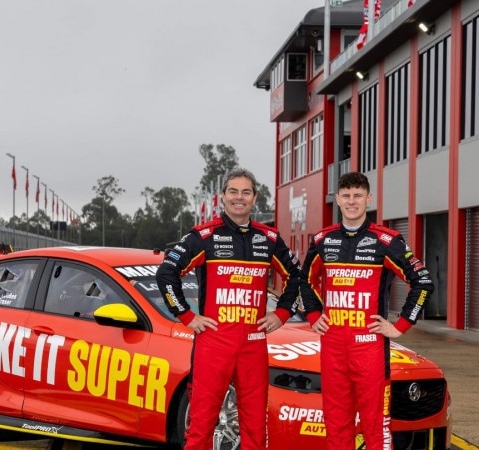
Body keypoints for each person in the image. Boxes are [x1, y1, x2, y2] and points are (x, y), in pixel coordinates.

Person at [156, 168, 304, 450]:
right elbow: (166, 273)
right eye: (233, 191)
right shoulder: (204, 236)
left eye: (246, 192)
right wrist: (186, 315)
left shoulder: (269, 238)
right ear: (222, 196)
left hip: (254, 344)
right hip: (214, 344)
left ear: (254, 198)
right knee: (200, 426)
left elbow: (297, 276)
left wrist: (282, 313)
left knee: (255, 429)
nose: (239, 198)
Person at [297, 171, 434, 450]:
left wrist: (400, 326)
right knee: (336, 428)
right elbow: (303, 279)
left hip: (370, 350)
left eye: (357, 195)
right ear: (337, 199)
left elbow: (423, 282)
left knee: (376, 430)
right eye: (346, 196)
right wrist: (313, 315)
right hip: (333, 348)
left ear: (368, 198)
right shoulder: (323, 240)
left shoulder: (387, 241)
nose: (352, 201)